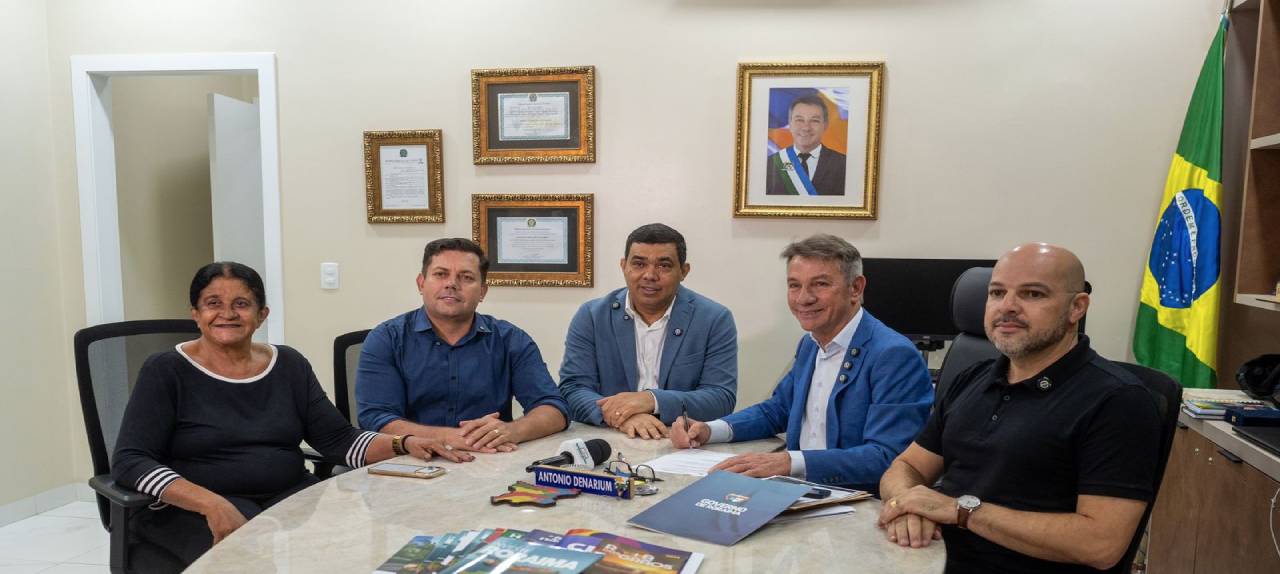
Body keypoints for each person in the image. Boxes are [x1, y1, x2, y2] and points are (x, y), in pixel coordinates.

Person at [111, 262, 467, 572]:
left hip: (288, 497)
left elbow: (338, 439)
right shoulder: (166, 370)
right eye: (213, 303)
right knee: (249, 560)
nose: (227, 313)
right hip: (193, 509)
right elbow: (130, 460)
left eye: (241, 304)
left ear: (262, 314)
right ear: (195, 313)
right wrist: (211, 503)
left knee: (366, 545)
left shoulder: (289, 364)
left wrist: (404, 443)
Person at [877, 243, 1162, 573]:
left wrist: (961, 511)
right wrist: (907, 505)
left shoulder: (1119, 401)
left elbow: (1101, 544)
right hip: (927, 558)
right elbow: (907, 466)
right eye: (997, 293)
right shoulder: (972, 378)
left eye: (1033, 294)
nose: (1007, 307)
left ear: (1077, 307)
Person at [670, 234, 932, 492]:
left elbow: (888, 457)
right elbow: (778, 410)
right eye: (794, 285)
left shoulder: (893, 355)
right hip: (797, 490)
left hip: (855, 501)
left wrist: (789, 462)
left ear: (856, 288)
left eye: (820, 284)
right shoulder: (810, 344)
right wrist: (709, 430)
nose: (803, 298)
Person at [356, 238, 568, 455]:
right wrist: (448, 437)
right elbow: (375, 417)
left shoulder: (510, 339)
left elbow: (554, 409)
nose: (451, 284)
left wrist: (512, 430)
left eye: (466, 277)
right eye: (441, 274)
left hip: (490, 460)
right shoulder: (387, 339)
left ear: (483, 291)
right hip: (411, 461)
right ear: (421, 283)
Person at [559, 223, 737, 439]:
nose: (650, 275)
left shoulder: (713, 319)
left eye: (664, 266)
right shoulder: (592, 316)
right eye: (639, 264)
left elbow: (721, 398)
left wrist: (652, 400)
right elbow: (572, 389)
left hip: (681, 440)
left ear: (684, 271)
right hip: (610, 436)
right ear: (624, 266)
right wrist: (623, 416)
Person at [765, 94, 847, 196]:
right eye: (799, 120)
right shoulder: (770, 165)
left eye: (814, 121)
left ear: (825, 125)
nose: (806, 127)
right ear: (790, 124)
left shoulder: (844, 165)